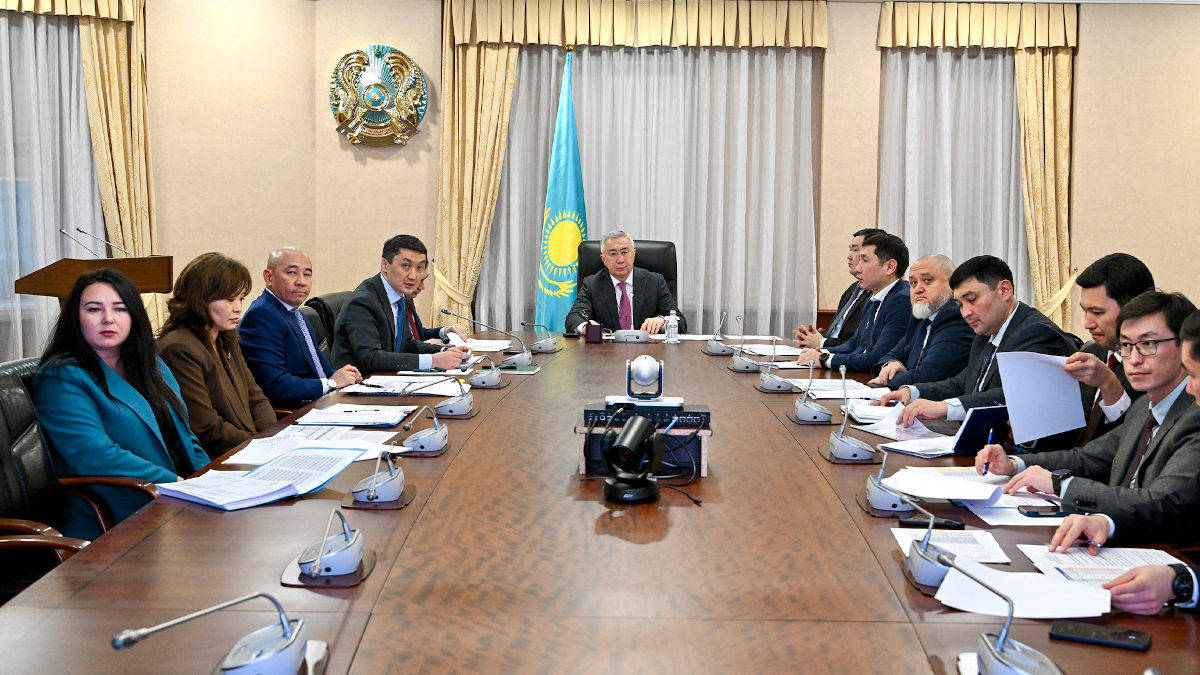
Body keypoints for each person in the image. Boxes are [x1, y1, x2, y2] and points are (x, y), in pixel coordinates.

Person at [973, 291, 1200, 515]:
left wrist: (1062, 485)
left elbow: (1160, 502)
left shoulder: (1194, 415)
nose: (1134, 359)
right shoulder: (1143, 407)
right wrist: (1013, 464)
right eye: (1126, 345)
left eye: (1148, 344)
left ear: (1184, 346)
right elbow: (1087, 459)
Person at [33, 269, 209, 540]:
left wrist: (210, 480)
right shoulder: (61, 376)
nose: (109, 318)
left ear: (134, 316)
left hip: (178, 502)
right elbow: (94, 455)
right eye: (94, 309)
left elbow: (185, 436)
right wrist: (175, 484)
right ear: (75, 318)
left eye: (120, 308)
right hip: (119, 517)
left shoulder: (152, 365)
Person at [877, 255, 1080, 426]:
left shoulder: (1037, 333)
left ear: (1004, 291)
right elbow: (963, 383)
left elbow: (1013, 397)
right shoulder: (986, 331)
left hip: (1023, 450)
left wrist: (944, 407)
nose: (965, 312)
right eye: (960, 304)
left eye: (972, 300)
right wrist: (913, 392)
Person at [158, 253, 277, 458]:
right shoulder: (178, 348)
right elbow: (206, 428)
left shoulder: (225, 337)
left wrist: (272, 438)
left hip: (248, 449)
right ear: (200, 298)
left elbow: (256, 397)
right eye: (229, 299)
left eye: (241, 298)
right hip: (217, 460)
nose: (238, 307)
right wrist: (259, 446)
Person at [239, 247, 363, 409]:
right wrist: (331, 383)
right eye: (292, 273)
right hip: (296, 412)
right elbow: (276, 385)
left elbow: (320, 369)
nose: (301, 281)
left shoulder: (296, 314)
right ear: (268, 277)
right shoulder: (261, 315)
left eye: (307, 274)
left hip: (321, 403)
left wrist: (344, 376)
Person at [333, 234, 469, 372]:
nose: (413, 276)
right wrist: (433, 361)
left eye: (419, 268)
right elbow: (371, 358)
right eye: (405, 266)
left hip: (390, 377)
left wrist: (445, 351)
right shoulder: (363, 302)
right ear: (385, 266)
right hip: (361, 381)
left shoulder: (400, 296)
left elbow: (406, 344)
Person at [1061, 253, 1155, 445]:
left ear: (1136, 308)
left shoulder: (1158, 364)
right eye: (1085, 311)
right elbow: (1074, 438)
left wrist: (1108, 384)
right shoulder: (1092, 352)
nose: (1087, 324)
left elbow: (1135, 445)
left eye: (1097, 312)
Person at [795, 232, 911, 372]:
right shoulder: (874, 298)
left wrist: (824, 359)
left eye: (865, 260)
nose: (857, 269)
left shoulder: (902, 301)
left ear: (890, 267)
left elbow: (877, 359)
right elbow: (854, 344)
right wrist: (820, 352)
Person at [867, 254, 973, 388]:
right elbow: (890, 355)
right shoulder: (921, 317)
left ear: (952, 285)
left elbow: (927, 376)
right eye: (913, 283)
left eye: (927, 280)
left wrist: (886, 378)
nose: (918, 289)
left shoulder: (956, 318)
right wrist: (892, 364)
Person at [565, 231, 686, 335]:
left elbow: (681, 322)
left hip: (647, 350)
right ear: (603, 259)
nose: (620, 260)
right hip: (607, 350)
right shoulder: (592, 284)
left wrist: (663, 321)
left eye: (624, 252)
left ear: (633, 254)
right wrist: (587, 328)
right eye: (613, 254)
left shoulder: (655, 282)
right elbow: (573, 318)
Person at [795, 228, 885, 350]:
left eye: (855, 250)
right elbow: (838, 331)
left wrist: (823, 343)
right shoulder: (853, 289)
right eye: (850, 250)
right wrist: (814, 337)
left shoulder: (877, 294)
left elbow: (857, 343)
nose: (849, 256)